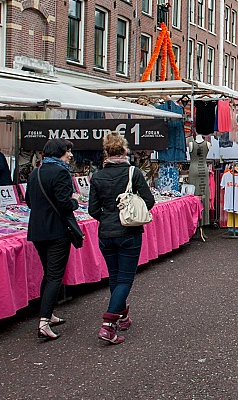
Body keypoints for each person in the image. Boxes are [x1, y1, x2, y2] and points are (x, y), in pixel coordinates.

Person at [88, 132, 155, 345]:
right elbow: (149, 201)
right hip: (129, 232)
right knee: (125, 279)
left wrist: (107, 217)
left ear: (106, 152)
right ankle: (108, 324)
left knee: (115, 277)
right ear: (124, 151)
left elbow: (92, 209)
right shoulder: (133, 173)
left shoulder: (97, 176)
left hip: (106, 233)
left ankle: (122, 317)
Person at [25, 138, 79, 340]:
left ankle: (47, 314)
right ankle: (44, 322)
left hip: (37, 230)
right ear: (59, 152)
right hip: (57, 230)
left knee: (49, 273)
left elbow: (29, 201)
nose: (70, 155)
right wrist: (74, 202)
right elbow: (64, 204)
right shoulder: (61, 172)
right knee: (55, 275)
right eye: (68, 151)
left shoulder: (35, 172)